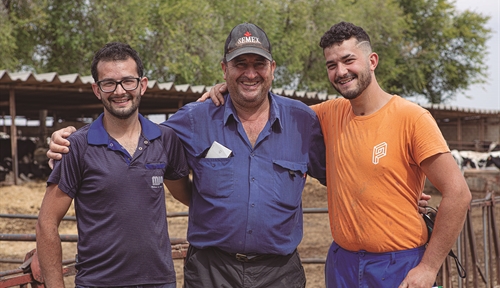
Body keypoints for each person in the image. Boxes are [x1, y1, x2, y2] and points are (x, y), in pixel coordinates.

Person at [46, 23, 431, 287]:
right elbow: (129, 128)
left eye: (258, 63)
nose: (250, 73)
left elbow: (347, 172)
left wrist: (398, 196)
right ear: (224, 69)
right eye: (239, 64)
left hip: (280, 272)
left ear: (272, 68)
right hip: (211, 270)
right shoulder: (194, 119)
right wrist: (69, 139)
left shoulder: (305, 121)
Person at [206, 21, 472, 288]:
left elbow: (458, 193)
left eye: (348, 60)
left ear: (372, 61)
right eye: (331, 65)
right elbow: (270, 108)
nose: (341, 71)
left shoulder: (412, 118)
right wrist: (226, 89)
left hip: (398, 264)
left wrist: (428, 267)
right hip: (342, 264)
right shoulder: (325, 115)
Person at [36, 42, 191, 288]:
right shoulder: (76, 146)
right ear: (97, 90)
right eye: (109, 83)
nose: (119, 91)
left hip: (158, 282)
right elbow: (46, 223)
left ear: (143, 85)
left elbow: (189, 197)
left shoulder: (165, 139)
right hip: (99, 283)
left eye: (128, 81)